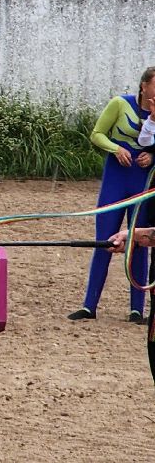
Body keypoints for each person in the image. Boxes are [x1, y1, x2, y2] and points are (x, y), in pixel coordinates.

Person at [71, 70, 155, 323]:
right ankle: (89, 306)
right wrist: (116, 148)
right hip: (116, 180)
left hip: (144, 182)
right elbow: (97, 134)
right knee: (104, 242)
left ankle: (136, 310)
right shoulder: (120, 104)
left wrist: (153, 156)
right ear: (144, 86)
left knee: (139, 242)